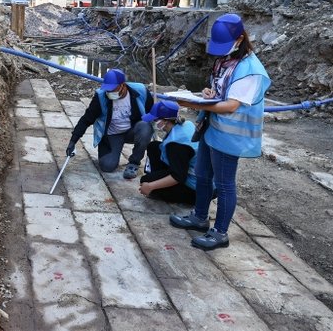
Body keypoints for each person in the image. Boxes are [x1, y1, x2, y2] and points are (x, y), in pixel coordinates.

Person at [169, 13, 271, 250]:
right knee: (203, 174)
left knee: (224, 184)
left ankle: (220, 232)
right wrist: (208, 94)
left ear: (240, 39)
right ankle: (200, 217)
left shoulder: (251, 70)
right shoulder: (226, 61)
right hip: (212, 128)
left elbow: (231, 105)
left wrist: (192, 104)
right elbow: (221, 92)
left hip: (230, 136)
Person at [66, 69, 154, 179]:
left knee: (145, 127)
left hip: (132, 131)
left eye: (113, 89)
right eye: (107, 90)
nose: (109, 92)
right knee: (107, 166)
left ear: (123, 85)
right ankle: (113, 151)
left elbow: (153, 112)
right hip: (112, 135)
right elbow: (86, 119)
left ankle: (134, 163)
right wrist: (73, 141)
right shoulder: (101, 96)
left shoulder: (140, 91)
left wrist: (172, 119)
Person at [138, 100, 198, 205]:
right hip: (191, 171)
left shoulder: (176, 145)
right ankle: (159, 179)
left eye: (155, 120)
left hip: (195, 189)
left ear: (165, 121)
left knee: (146, 181)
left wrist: (151, 186)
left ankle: (161, 189)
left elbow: (178, 177)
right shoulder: (185, 124)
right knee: (154, 146)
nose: (153, 122)